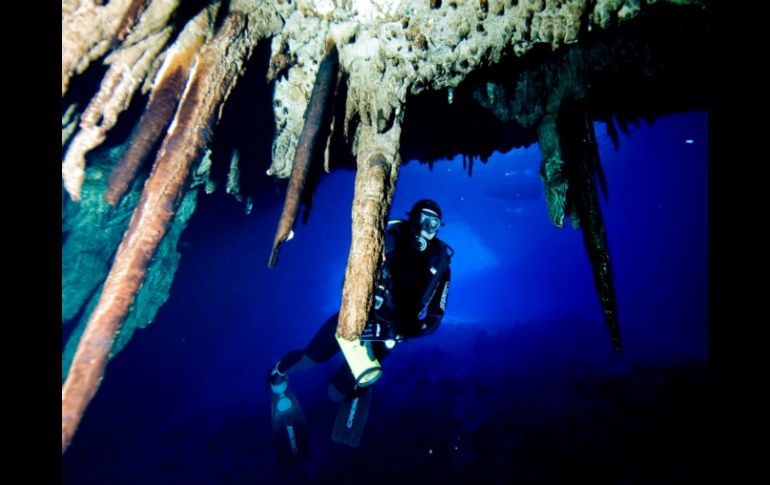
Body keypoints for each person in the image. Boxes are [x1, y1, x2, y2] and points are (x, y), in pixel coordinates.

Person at [267, 199, 453, 453]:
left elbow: (433, 320)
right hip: (355, 317)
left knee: (335, 393)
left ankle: (356, 388)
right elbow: (354, 269)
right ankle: (278, 374)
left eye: (432, 223)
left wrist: (394, 332)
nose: (426, 227)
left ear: (438, 227)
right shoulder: (390, 237)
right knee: (309, 360)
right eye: (422, 219)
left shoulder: (441, 264)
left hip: (385, 335)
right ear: (412, 219)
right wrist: (360, 303)